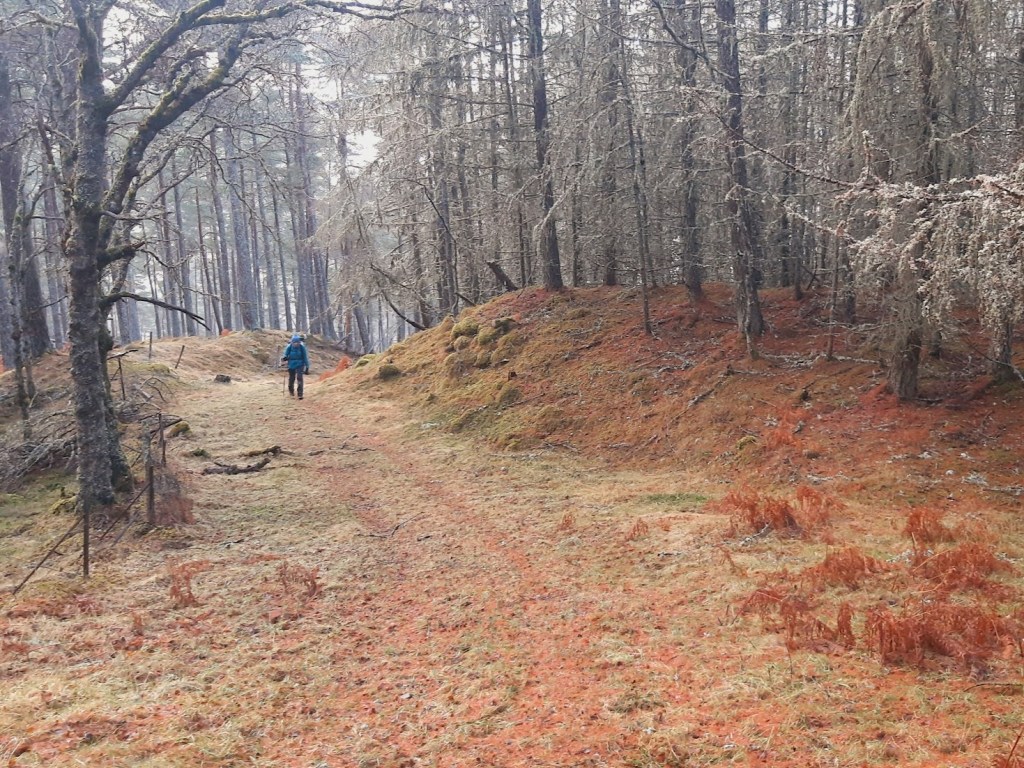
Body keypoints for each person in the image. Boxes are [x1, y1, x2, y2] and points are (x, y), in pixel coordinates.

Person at [281, 333, 310, 399]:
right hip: (291, 364)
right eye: (295, 342)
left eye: (298, 342)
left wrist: (307, 367)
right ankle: (291, 391)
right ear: (292, 342)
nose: (296, 344)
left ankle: (300, 394)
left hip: (300, 364)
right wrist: (284, 358)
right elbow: (285, 355)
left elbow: (305, 357)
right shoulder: (289, 347)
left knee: (299, 378)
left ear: (299, 342)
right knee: (292, 378)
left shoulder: (302, 347)